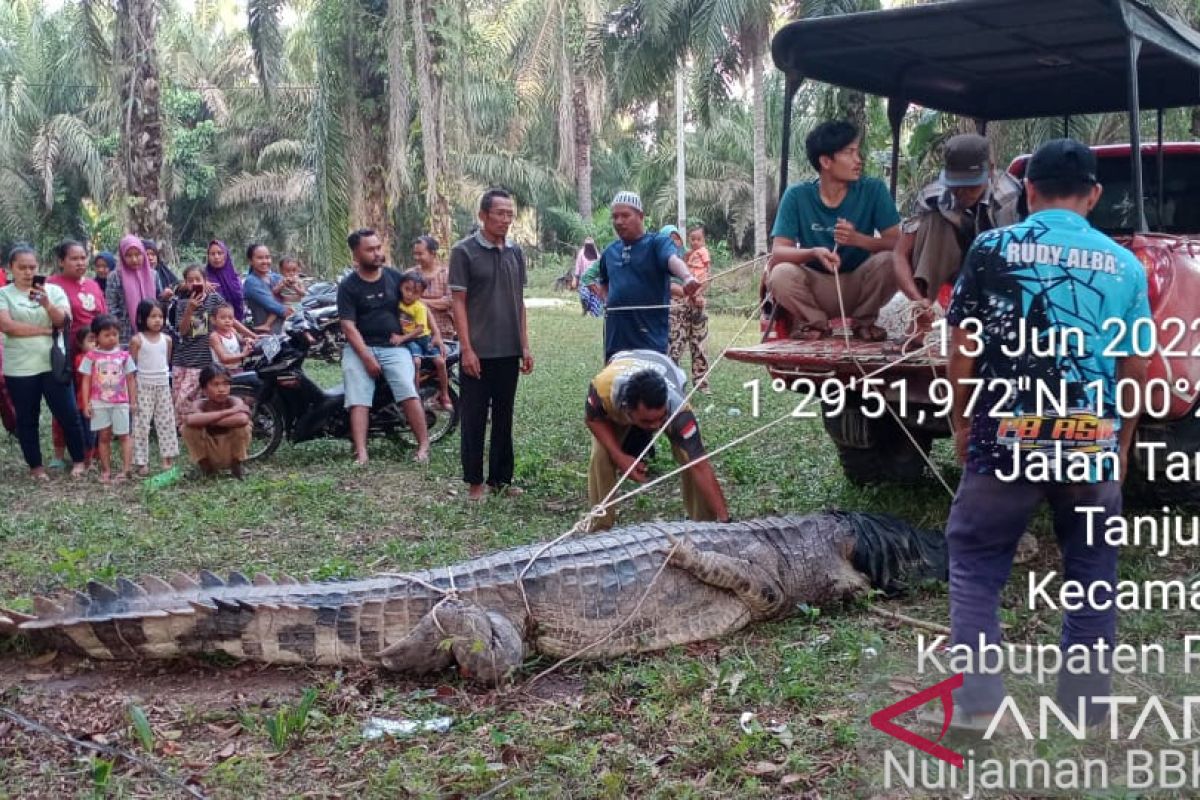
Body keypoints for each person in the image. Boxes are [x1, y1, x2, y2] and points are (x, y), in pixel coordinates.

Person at [941, 139, 1151, 730]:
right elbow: (1134, 367)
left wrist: (961, 418)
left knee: (978, 558)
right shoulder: (1126, 266)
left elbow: (963, 347)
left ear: (1027, 191)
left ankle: (979, 706)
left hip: (1006, 432)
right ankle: (1085, 712)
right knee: (1091, 569)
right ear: (1094, 195)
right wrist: (1122, 441)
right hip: (1090, 438)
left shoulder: (991, 248)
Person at [766, 120, 901, 341]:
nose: (859, 160)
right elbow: (779, 252)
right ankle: (815, 324)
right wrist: (813, 252)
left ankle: (863, 323)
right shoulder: (797, 195)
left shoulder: (873, 189)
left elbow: (898, 243)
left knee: (892, 260)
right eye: (850, 152)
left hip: (861, 285)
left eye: (858, 152)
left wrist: (859, 240)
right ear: (826, 161)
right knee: (780, 274)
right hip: (817, 287)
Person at [585, 349, 729, 531]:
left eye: (659, 419)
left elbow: (700, 464)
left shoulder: (679, 411)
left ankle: (704, 525)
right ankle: (599, 527)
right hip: (622, 363)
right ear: (627, 410)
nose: (655, 426)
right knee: (601, 456)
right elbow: (593, 419)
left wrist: (725, 521)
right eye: (646, 421)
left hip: (663, 365)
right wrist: (619, 456)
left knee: (688, 459)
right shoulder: (603, 390)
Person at [450, 188, 533, 500]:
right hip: (478, 352)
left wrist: (524, 345)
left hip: (508, 350)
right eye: (500, 213)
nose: (506, 219)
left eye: (510, 214)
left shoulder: (515, 252)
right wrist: (467, 349)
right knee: (473, 418)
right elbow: (458, 303)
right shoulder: (464, 251)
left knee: (504, 415)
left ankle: (501, 479)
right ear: (483, 215)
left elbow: (520, 302)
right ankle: (474, 482)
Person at [893, 133, 1023, 306]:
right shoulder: (934, 196)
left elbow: (1018, 258)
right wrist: (917, 301)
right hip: (953, 262)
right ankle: (923, 312)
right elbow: (899, 254)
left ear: (991, 170)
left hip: (999, 266)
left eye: (972, 185)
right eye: (956, 185)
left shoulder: (1008, 197)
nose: (963, 192)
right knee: (934, 221)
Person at [338, 228, 430, 464]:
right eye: (370, 249)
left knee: (408, 391)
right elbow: (348, 326)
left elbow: (419, 306)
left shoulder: (394, 277)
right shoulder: (348, 286)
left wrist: (436, 335)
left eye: (378, 247)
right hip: (360, 349)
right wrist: (367, 357)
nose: (377, 253)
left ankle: (423, 446)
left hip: (395, 347)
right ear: (356, 254)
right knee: (357, 396)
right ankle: (361, 451)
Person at [0, 246, 88, 479]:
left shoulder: (54, 291)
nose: (28, 272)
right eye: (22, 267)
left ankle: (79, 460)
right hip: (19, 367)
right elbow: (8, 327)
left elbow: (62, 322)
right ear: (12, 268)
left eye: (32, 267)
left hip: (54, 365)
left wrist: (47, 304)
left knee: (68, 414)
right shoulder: (4, 294)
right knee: (27, 419)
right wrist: (43, 330)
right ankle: (36, 468)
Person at [593, 191, 702, 361]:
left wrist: (687, 277)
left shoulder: (657, 243)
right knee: (614, 386)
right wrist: (608, 302)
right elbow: (604, 282)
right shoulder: (609, 252)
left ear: (640, 216)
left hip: (649, 341)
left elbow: (672, 259)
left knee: (648, 386)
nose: (619, 221)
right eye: (615, 217)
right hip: (615, 341)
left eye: (625, 215)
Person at [48, 239, 107, 468]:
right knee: (65, 404)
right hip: (65, 356)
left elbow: (103, 318)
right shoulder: (53, 285)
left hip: (93, 358)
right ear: (61, 261)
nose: (80, 262)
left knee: (92, 403)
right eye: (74, 258)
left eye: (83, 257)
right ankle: (59, 454)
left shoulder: (93, 285)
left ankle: (89, 451)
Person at [169, 265, 235, 424]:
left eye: (198, 279)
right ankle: (182, 427)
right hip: (181, 358)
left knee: (185, 398)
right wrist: (190, 309)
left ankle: (186, 427)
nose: (194, 283)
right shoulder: (183, 303)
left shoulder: (215, 300)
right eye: (190, 280)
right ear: (185, 283)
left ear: (206, 281)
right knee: (176, 396)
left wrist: (249, 335)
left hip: (201, 360)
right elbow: (182, 331)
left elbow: (230, 319)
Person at [80, 314, 138, 484]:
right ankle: (106, 471)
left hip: (120, 403)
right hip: (99, 403)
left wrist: (132, 401)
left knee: (124, 436)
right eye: (107, 335)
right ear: (96, 337)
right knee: (103, 436)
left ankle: (126, 470)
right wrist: (86, 403)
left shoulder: (124, 356)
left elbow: (130, 379)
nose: (112, 338)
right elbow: (86, 380)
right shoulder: (91, 357)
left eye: (115, 334)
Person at [129, 299, 178, 475]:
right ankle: (141, 462)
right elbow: (131, 369)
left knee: (166, 422)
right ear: (142, 318)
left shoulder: (167, 339)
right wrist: (132, 396)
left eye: (160, 316)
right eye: (152, 316)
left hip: (163, 386)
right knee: (141, 425)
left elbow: (167, 362)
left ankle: (167, 459)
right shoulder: (137, 340)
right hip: (143, 386)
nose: (157, 320)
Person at [181, 364, 252, 479]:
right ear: (204, 390)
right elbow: (190, 421)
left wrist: (206, 419)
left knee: (243, 427)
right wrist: (229, 412)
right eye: (215, 384)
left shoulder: (234, 400)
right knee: (187, 429)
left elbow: (242, 419)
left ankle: (237, 466)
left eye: (225, 384)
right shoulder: (199, 404)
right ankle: (205, 468)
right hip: (209, 453)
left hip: (230, 451)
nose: (221, 389)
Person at [396, 271, 453, 411]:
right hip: (411, 341)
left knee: (440, 361)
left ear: (421, 294)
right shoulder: (397, 303)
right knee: (416, 362)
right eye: (407, 289)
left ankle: (445, 394)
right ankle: (415, 395)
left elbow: (420, 329)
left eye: (415, 292)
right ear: (400, 287)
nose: (409, 294)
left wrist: (402, 337)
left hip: (422, 338)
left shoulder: (419, 307)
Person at [667, 225, 712, 392]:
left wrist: (698, 293)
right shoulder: (662, 261)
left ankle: (701, 383)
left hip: (696, 304)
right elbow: (668, 286)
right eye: (670, 239)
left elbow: (706, 275)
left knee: (699, 343)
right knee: (675, 346)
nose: (675, 241)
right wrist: (688, 294)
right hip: (676, 308)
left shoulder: (688, 257)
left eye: (677, 237)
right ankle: (672, 382)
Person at [106, 235, 160, 344]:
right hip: (125, 334)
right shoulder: (115, 276)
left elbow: (158, 302)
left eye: (138, 254)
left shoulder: (153, 275)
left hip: (151, 329)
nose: (134, 259)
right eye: (129, 256)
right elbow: (111, 307)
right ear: (122, 256)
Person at [412, 236, 455, 340]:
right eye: (415, 254)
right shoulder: (410, 274)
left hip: (443, 333)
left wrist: (420, 301)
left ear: (433, 254)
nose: (416, 257)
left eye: (420, 254)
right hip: (415, 334)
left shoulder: (447, 274)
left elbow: (449, 301)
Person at [243, 243, 291, 333]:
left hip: (286, 332)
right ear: (250, 261)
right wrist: (290, 309)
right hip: (267, 336)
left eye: (267, 257)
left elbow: (292, 292)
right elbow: (272, 305)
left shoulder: (275, 277)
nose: (265, 261)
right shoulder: (251, 282)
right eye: (260, 258)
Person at [204, 240, 246, 323]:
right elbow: (181, 286)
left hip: (236, 326)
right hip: (211, 329)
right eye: (212, 254)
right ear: (208, 257)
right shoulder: (203, 277)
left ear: (226, 255)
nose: (216, 257)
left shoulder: (235, 278)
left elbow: (241, 303)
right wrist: (201, 284)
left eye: (220, 253)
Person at [209, 304, 251, 372]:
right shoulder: (215, 336)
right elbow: (223, 359)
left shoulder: (232, 331)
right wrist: (243, 354)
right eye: (223, 318)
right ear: (213, 320)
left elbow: (241, 340)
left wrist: (248, 340)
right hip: (224, 372)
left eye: (230, 318)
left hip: (238, 368)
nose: (227, 321)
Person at [141, 239, 179, 303]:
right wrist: (162, 297)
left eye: (153, 254)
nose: (150, 258)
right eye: (146, 255)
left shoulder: (163, 271)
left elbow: (175, 284)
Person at [572, 237, 601, 315]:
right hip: (584, 281)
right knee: (584, 297)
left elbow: (600, 269)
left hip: (595, 281)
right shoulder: (581, 254)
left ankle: (593, 315)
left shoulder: (598, 256)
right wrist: (575, 279)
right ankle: (585, 309)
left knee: (595, 304)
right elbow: (578, 267)